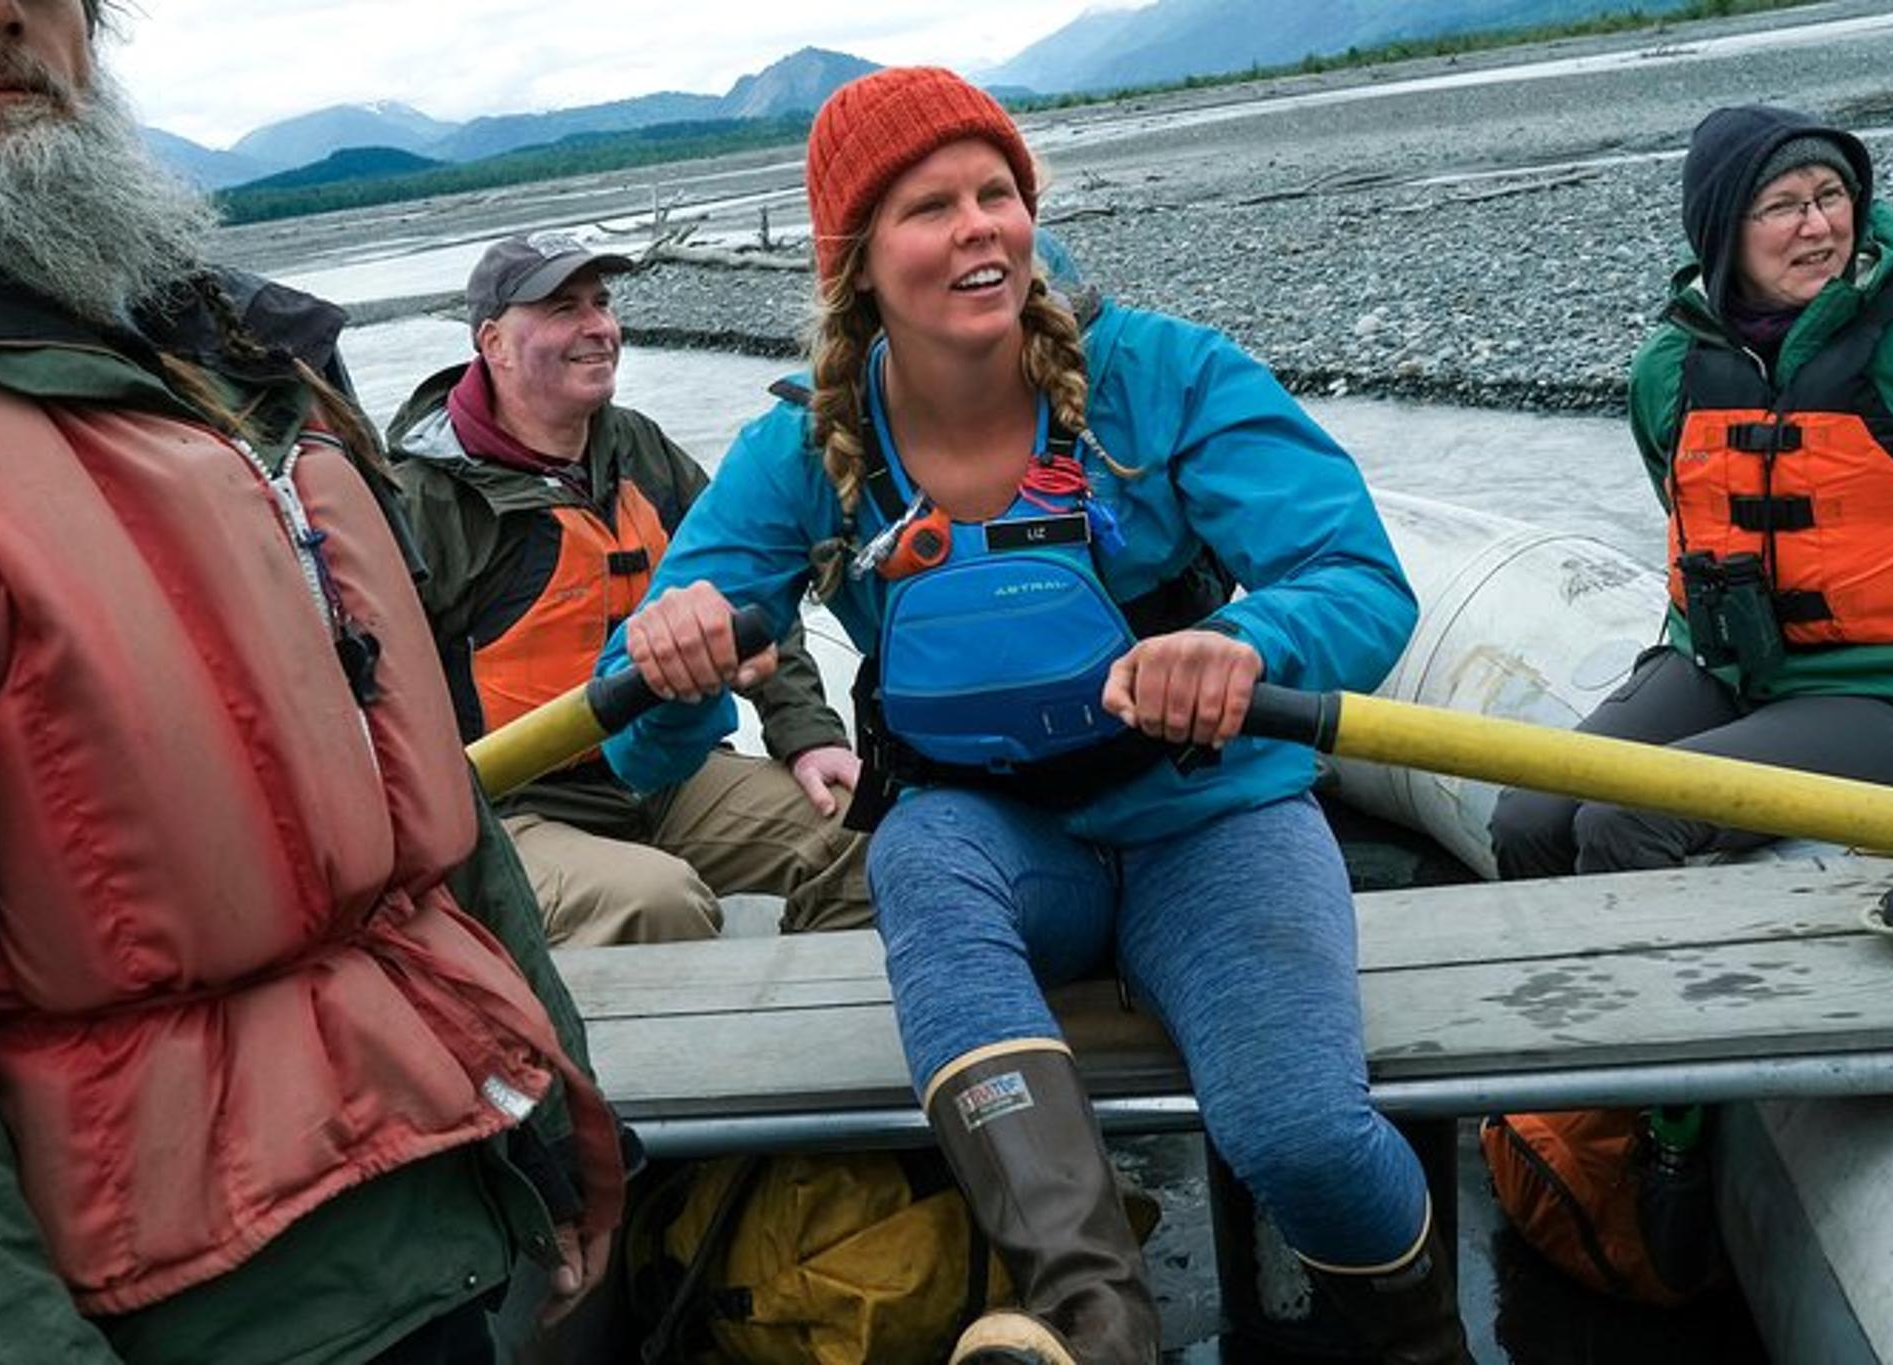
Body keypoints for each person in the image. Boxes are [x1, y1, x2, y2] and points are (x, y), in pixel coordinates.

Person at [601, 66, 1469, 1365]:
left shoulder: (1165, 377)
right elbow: (640, 745)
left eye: (995, 192)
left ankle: (1421, 1346)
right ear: (855, 262)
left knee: (1297, 1136)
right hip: (996, 839)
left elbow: (1359, 583)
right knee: (917, 853)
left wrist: (1245, 639)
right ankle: (1092, 1321)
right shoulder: (801, 451)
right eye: (928, 206)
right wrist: (664, 662)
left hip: (1211, 819)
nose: (978, 227)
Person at [0, 2, 625, 1360]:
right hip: (198, 1298)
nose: (1, 12)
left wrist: (561, 1108)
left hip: (445, 1189)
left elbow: (433, 813)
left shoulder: (233, 365)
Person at [1488, 104, 1893, 878]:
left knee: (1626, 819)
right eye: (1782, 207)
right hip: (1726, 670)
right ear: (1722, 233)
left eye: (1831, 196)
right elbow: (1682, 506)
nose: (1817, 227)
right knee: (1527, 816)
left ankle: (1633, 1000)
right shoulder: (1669, 369)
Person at [387, 237, 870, 946]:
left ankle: (795, 1033)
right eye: (563, 309)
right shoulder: (422, 501)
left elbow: (755, 595)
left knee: (865, 830)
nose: (599, 327)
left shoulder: (641, 448)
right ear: (493, 342)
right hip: (513, 809)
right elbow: (368, 696)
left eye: (602, 304)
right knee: (654, 900)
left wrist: (806, 735)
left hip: (668, 775)